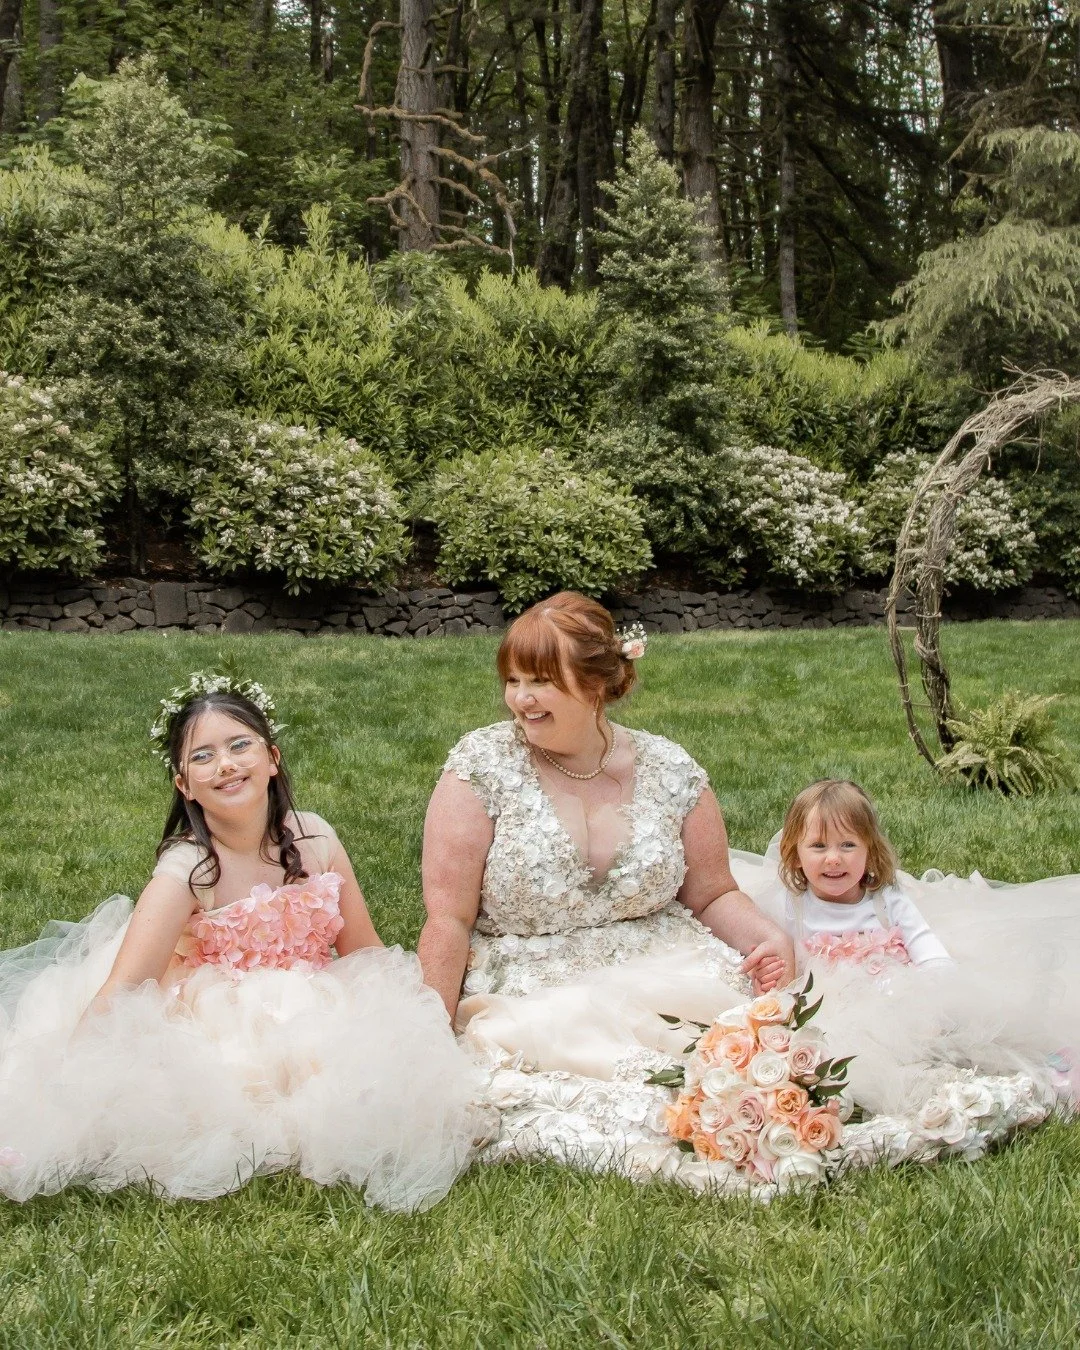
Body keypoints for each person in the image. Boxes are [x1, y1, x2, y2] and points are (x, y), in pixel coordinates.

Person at [0, 674, 482, 1209]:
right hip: (212, 1011)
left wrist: (408, 1027)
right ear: (185, 785)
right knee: (226, 1099)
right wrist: (67, 1085)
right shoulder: (188, 868)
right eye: (202, 756)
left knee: (367, 1079)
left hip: (308, 1004)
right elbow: (127, 982)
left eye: (239, 745)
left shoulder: (316, 838)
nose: (225, 764)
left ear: (272, 757)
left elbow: (364, 953)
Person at [417, 592, 796, 1177]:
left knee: (755, 1070)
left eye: (540, 680)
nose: (520, 698)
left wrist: (765, 935)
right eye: (512, 679)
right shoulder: (480, 766)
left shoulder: (669, 768)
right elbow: (448, 917)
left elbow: (713, 892)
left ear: (596, 684)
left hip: (664, 968)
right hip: (532, 988)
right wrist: (431, 1035)